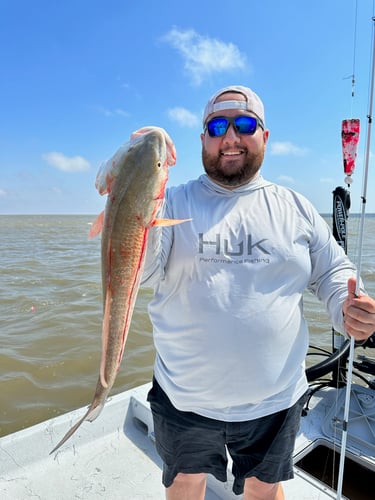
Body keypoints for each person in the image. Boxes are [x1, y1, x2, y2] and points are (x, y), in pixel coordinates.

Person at [140, 85, 375, 500]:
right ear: (202, 140)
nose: (230, 137)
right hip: (183, 399)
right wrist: (139, 186)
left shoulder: (296, 208)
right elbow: (140, 274)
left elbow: (334, 271)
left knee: (264, 491)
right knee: (183, 485)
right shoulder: (171, 204)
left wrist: (348, 306)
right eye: (216, 126)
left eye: (244, 124)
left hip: (276, 402)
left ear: (264, 136)